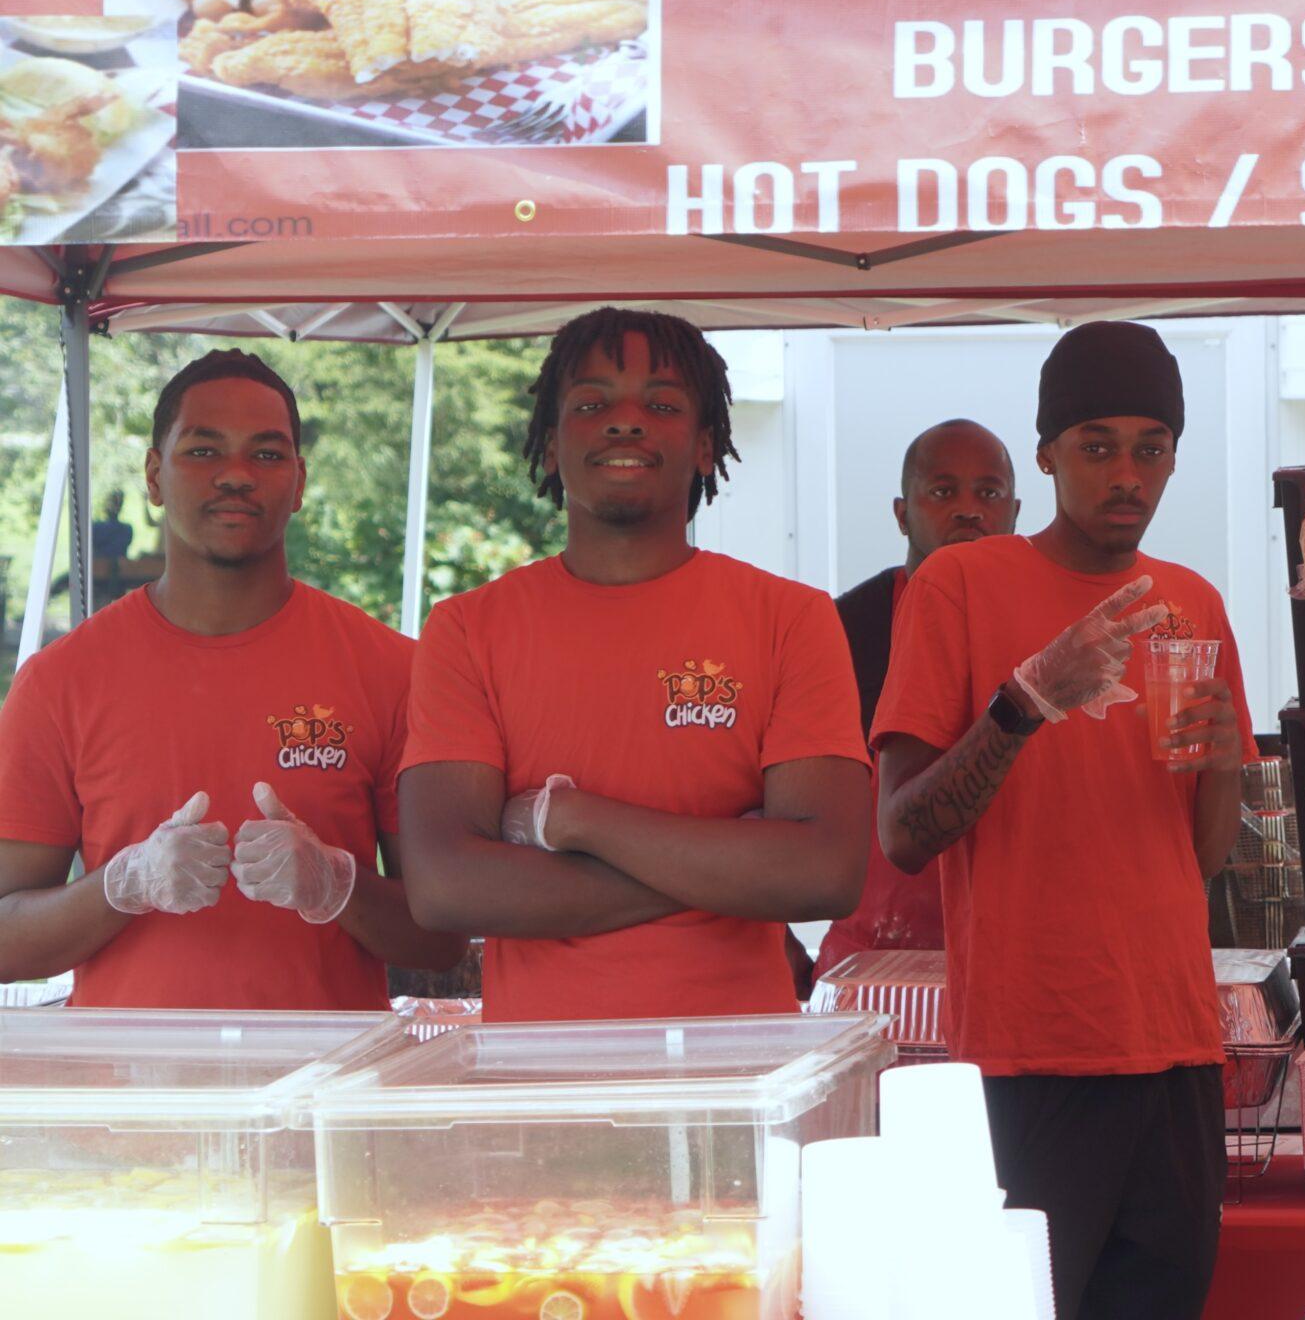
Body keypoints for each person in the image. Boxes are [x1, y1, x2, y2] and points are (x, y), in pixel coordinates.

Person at [872, 321, 1251, 1320]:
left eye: (1150, 448)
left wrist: (1223, 763)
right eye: (1097, 447)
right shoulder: (960, 584)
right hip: (1027, 1055)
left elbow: (1203, 857)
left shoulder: (1192, 602)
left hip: (1176, 1048)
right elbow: (903, 832)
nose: (1126, 475)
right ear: (1044, 456)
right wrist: (1027, 700)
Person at [398, 309, 873, 1022]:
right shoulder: (467, 629)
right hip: (539, 1071)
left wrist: (579, 821)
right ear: (551, 446)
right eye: (592, 405)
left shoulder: (792, 618)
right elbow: (444, 887)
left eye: (662, 405)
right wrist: (726, 866)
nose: (625, 422)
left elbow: (824, 873)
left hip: (739, 1068)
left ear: (706, 446)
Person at [0, 351, 463, 1006]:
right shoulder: (59, 681)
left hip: (325, 1069)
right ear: (154, 475)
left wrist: (337, 885)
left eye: (267, 454)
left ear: (299, 482)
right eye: (203, 450)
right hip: (128, 1071)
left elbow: (443, 939)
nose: (237, 475)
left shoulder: (392, 670)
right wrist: (121, 885)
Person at [814, 419, 1020, 973]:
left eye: (989, 493)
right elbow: (756, 795)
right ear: (902, 514)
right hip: (873, 959)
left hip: (1018, 952)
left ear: (1016, 511)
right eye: (943, 492)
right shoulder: (842, 630)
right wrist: (772, 942)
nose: (969, 511)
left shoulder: (1047, 626)